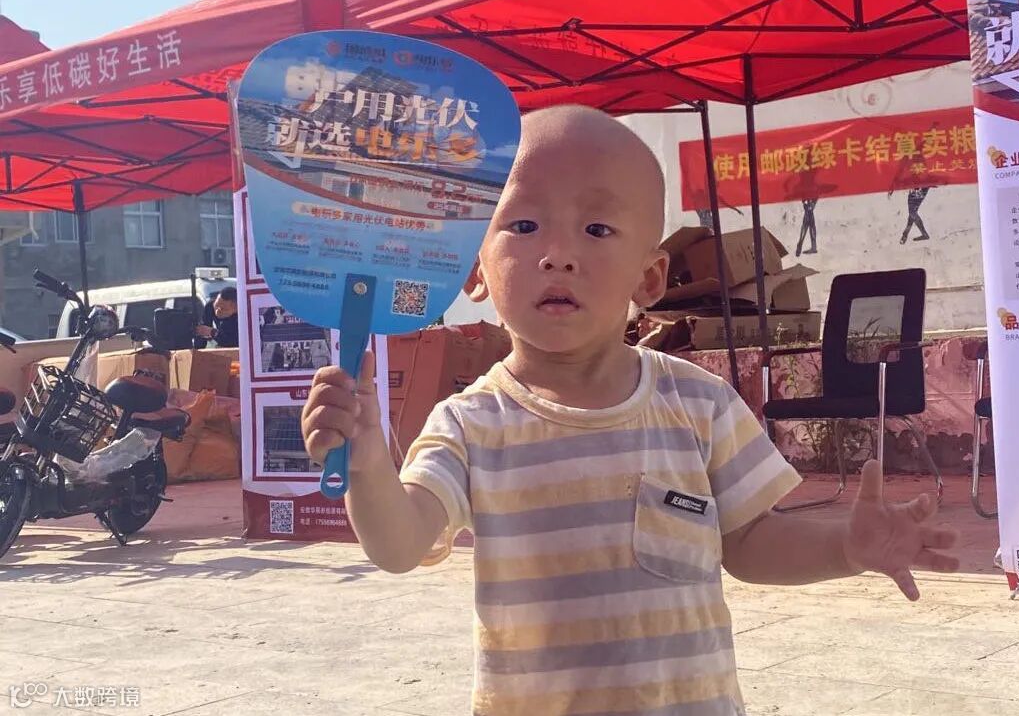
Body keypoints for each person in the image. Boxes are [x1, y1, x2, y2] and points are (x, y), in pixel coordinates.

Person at [301, 105, 960, 716]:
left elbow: (751, 542)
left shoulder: (699, 404)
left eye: (597, 229)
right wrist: (366, 464)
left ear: (649, 279)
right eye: (524, 225)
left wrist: (845, 545)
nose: (557, 254)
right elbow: (401, 543)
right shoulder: (470, 425)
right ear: (477, 269)